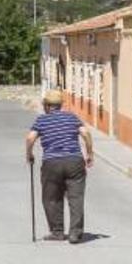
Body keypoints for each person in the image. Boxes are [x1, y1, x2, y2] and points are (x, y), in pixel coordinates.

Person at [25, 89, 94, 244]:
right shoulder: (72, 118)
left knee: (51, 198)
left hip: (52, 163)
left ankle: (57, 232)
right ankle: (75, 233)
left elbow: (30, 138)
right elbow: (86, 134)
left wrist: (29, 155)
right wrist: (90, 153)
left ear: (47, 106)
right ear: (60, 105)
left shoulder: (41, 120)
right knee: (76, 198)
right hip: (74, 161)